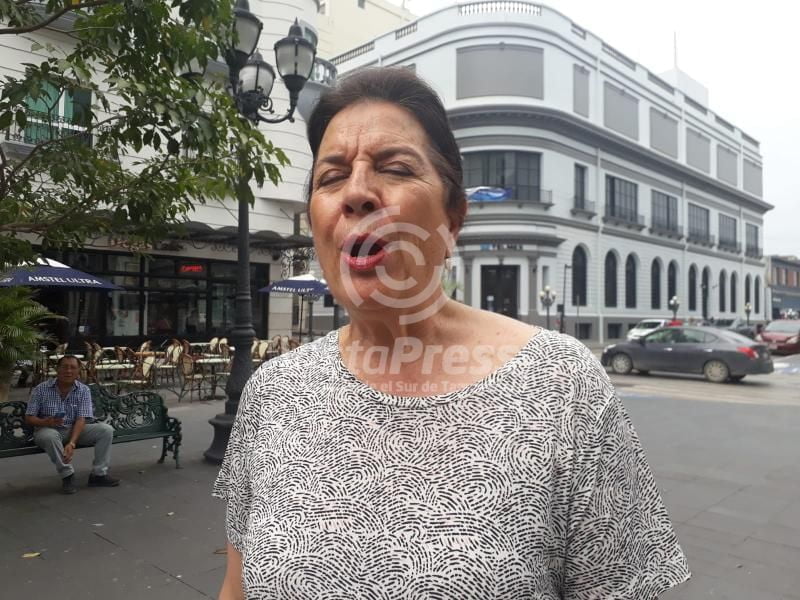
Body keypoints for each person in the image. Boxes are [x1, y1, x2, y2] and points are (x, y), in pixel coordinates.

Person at [214, 68, 690, 599]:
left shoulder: (563, 385)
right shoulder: (274, 392)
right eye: (331, 177)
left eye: (395, 168)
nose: (356, 193)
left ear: (452, 222)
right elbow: (236, 587)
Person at [25, 355, 120, 494]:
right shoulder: (41, 389)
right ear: (57, 369)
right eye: (65, 367)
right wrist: (46, 421)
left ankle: (98, 475)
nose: (68, 371)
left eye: (73, 368)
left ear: (78, 371)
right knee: (49, 437)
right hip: (48, 429)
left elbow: (81, 419)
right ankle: (67, 475)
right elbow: (29, 417)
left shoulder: (83, 390)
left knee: (106, 430)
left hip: (74, 430)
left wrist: (72, 443)